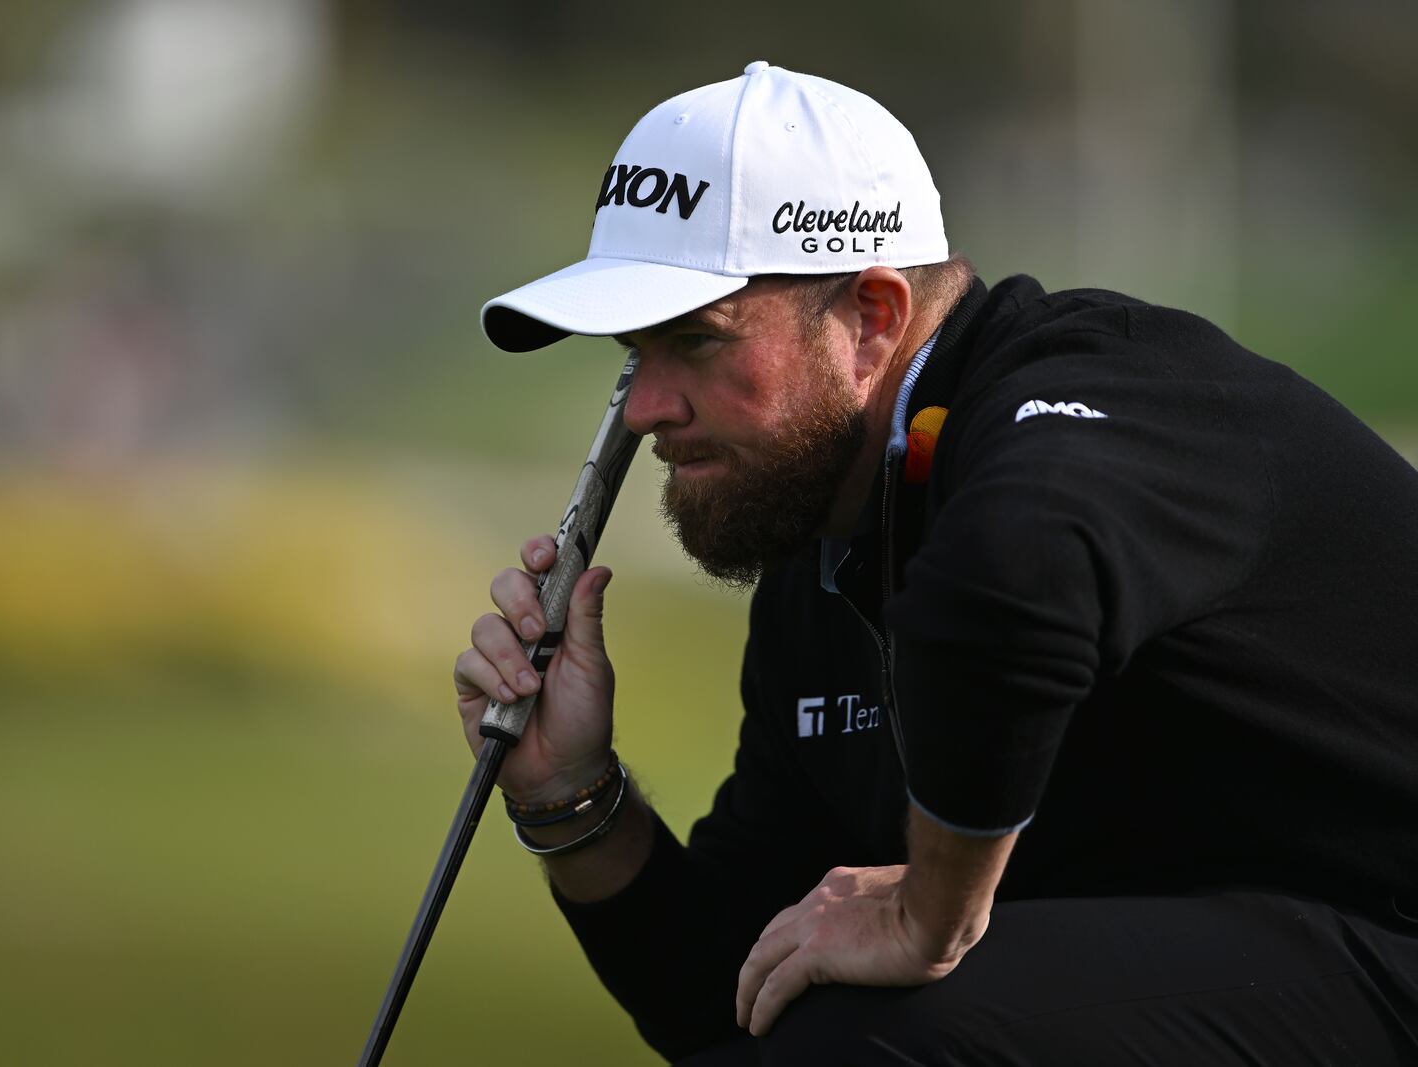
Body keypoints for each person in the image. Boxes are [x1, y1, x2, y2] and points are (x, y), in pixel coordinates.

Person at [452, 61, 1418, 1065]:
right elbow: (729, 996)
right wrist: (571, 798)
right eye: (630, 353)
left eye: (693, 342)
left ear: (872, 316)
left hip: (1389, 940)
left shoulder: (1086, 393)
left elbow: (1012, 582)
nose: (646, 405)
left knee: (870, 1041)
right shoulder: (824, 560)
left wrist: (928, 909)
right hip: (1297, 979)